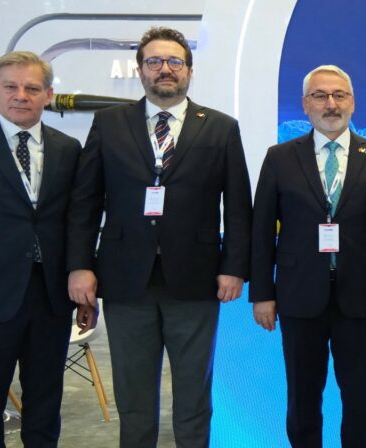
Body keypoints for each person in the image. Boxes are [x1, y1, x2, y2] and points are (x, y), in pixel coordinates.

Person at [66, 26, 252, 448]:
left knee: (194, 395)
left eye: (174, 61)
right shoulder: (109, 124)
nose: (164, 69)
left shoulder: (220, 127)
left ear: (189, 70)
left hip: (197, 280)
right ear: (140, 70)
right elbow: (85, 202)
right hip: (124, 279)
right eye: (154, 61)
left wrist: (234, 267)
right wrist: (80, 266)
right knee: (133, 397)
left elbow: (239, 206)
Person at [250, 65, 366, 447]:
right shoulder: (280, 158)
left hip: (361, 297)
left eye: (339, 95)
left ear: (353, 102)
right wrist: (262, 294)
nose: (331, 104)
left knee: (359, 397)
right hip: (298, 295)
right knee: (302, 396)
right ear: (306, 104)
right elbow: (262, 230)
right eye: (320, 96)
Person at [0, 51, 93, 447]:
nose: (21, 96)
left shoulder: (68, 149)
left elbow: (79, 220)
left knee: (45, 402)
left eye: (32, 88)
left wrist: (83, 282)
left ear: (48, 94)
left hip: (51, 294)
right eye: (11, 87)